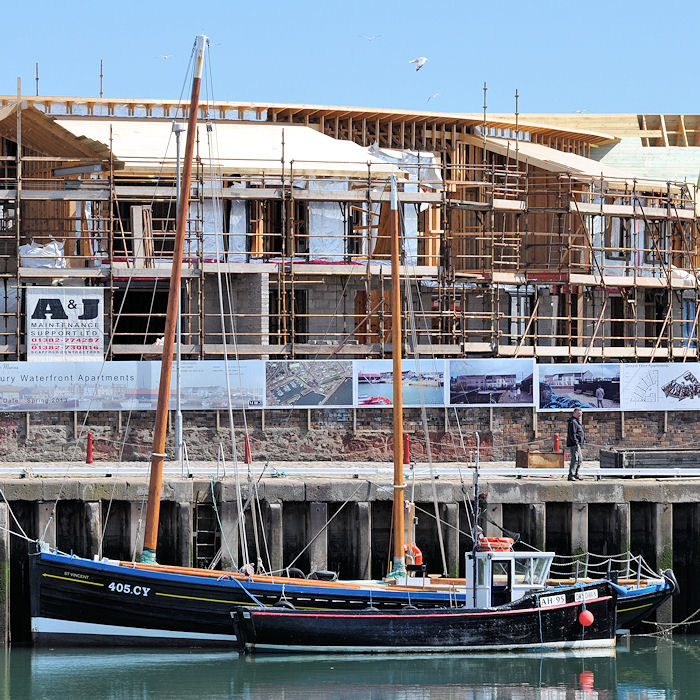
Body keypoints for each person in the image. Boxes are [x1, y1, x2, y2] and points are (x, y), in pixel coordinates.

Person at [566, 408, 584, 481]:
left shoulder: (576, 421)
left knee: (580, 459)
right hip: (574, 444)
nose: (580, 415)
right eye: (579, 414)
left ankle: (576, 474)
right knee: (575, 459)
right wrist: (576, 442)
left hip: (577, 443)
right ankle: (571, 475)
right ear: (575, 413)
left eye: (581, 414)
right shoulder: (573, 421)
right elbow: (572, 433)